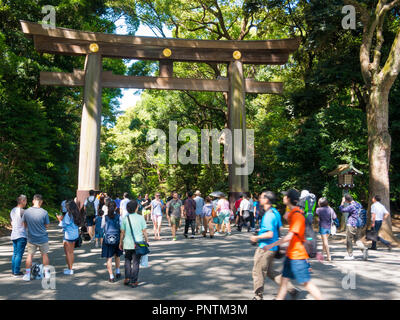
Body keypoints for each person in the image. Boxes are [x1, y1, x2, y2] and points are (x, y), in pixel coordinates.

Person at [262, 189, 322, 300]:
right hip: (291, 255)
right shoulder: (294, 213)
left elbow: (289, 237)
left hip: (297, 257)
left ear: (289, 199)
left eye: (285, 196)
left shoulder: (297, 216)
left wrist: (270, 245)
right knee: (284, 283)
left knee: (307, 284)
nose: (283, 197)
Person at [250, 191, 298, 300]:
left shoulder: (268, 215)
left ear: (266, 200)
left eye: (261, 197)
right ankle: (291, 289)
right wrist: (261, 230)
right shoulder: (275, 212)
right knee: (270, 272)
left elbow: (270, 233)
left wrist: (256, 237)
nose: (259, 199)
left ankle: (257, 296)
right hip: (273, 248)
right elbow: (278, 229)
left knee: (258, 272)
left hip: (265, 248)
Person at [22, 195, 51, 281]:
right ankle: (47, 274)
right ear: (41, 202)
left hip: (31, 238)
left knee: (30, 256)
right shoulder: (44, 212)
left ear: (33, 201)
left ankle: (27, 275)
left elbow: (24, 225)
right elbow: (47, 225)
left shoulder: (26, 212)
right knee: (44, 255)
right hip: (43, 238)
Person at [120, 200, 149, 287]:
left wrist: (120, 242)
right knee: (136, 262)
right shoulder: (140, 218)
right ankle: (134, 281)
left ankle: (127, 278)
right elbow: (144, 231)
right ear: (136, 208)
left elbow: (122, 232)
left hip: (127, 243)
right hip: (138, 243)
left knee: (127, 260)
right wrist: (146, 240)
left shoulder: (125, 218)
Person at [339, 194, 368, 260]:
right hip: (359, 224)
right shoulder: (358, 204)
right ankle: (364, 249)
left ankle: (350, 255)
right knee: (357, 240)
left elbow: (342, 210)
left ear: (346, 200)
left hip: (351, 224)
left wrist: (342, 202)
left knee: (349, 239)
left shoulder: (351, 206)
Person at [56, 200, 82, 275]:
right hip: (75, 235)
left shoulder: (68, 215)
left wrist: (59, 219)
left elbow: (63, 225)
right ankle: (70, 268)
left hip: (68, 236)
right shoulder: (76, 213)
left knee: (68, 253)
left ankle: (70, 269)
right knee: (71, 252)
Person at [101, 201, 123, 282]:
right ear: (116, 208)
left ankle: (111, 276)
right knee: (117, 256)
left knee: (109, 258)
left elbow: (102, 226)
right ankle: (117, 271)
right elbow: (121, 227)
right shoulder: (118, 216)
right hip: (117, 239)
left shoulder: (105, 217)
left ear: (107, 208)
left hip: (107, 239)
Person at [10, 195, 28, 277]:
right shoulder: (23, 211)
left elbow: (11, 223)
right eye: (26, 201)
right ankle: (16, 271)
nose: (26, 202)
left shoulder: (12, 210)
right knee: (19, 254)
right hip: (21, 234)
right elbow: (25, 224)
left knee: (15, 253)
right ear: (22, 201)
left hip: (14, 234)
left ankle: (13, 270)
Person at [316, 197, 337, 261]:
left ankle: (328, 256)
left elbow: (317, 215)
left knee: (325, 241)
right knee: (324, 241)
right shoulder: (331, 209)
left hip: (323, 227)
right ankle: (322, 254)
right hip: (329, 227)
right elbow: (334, 217)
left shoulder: (318, 209)